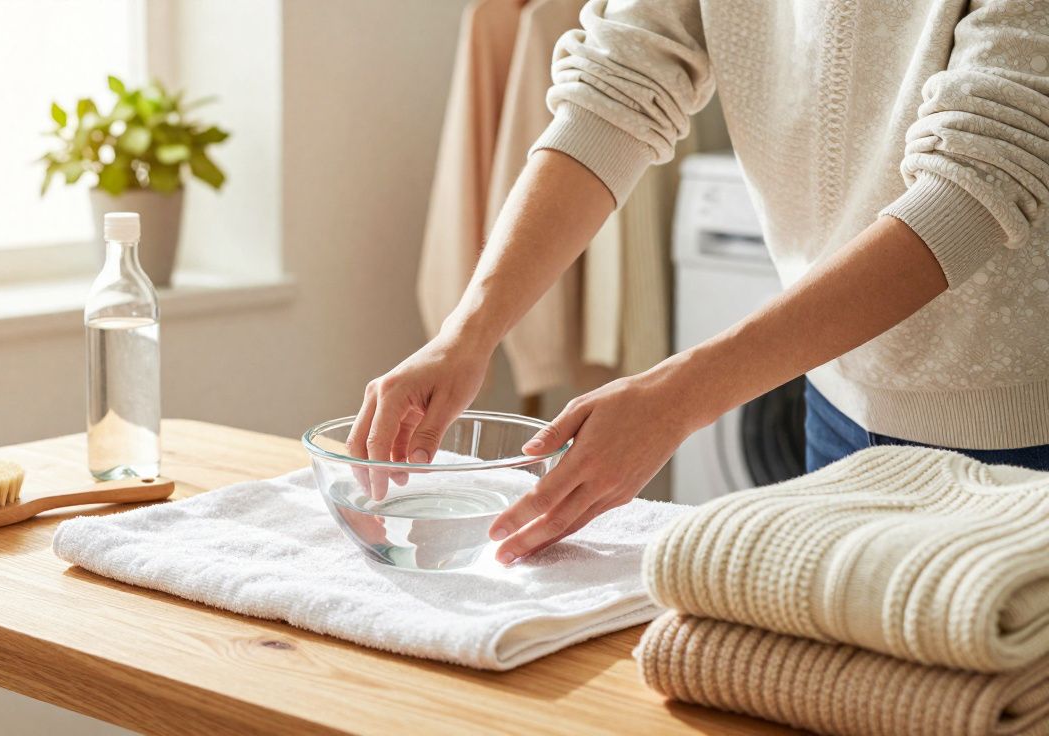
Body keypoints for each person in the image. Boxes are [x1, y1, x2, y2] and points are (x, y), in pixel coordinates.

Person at [347, 0, 1049, 565]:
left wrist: (677, 399)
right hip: (834, 395)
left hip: (1019, 429)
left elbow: (982, 178)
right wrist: (466, 335)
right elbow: (620, 80)